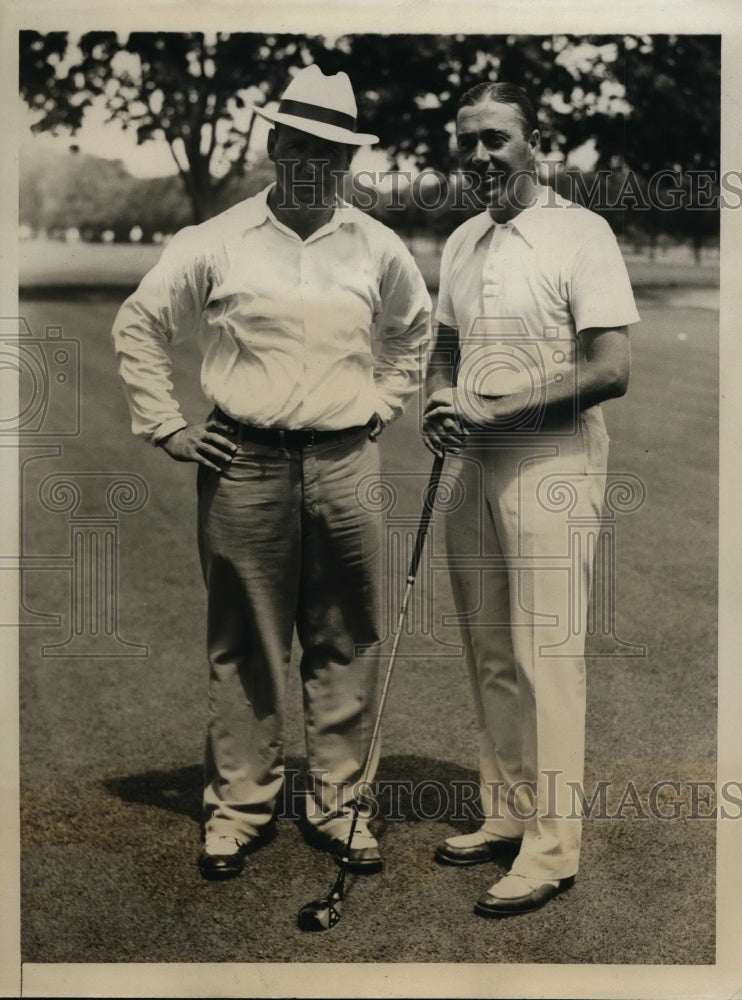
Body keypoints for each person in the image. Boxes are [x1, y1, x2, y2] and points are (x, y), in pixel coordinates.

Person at [112, 64, 432, 880]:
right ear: (272, 146)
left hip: (344, 461)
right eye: (298, 145)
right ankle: (239, 810)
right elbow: (140, 325)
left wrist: (382, 405)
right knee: (244, 644)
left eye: (330, 151)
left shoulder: (377, 245)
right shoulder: (213, 240)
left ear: (347, 160)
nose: (312, 164)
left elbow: (411, 334)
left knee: (345, 638)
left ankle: (339, 807)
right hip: (242, 461)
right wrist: (169, 428)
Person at [423, 82, 639, 916]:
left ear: (532, 140)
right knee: (489, 650)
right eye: (465, 141)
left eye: (494, 140)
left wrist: (498, 408)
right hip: (472, 462)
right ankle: (508, 812)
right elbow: (444, 346)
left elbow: (609, 370)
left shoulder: (581, 232)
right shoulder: (461, 240)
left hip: (549, 460)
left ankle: (551, 850)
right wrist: (438, 403)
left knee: (547, 655)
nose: (478, 157)